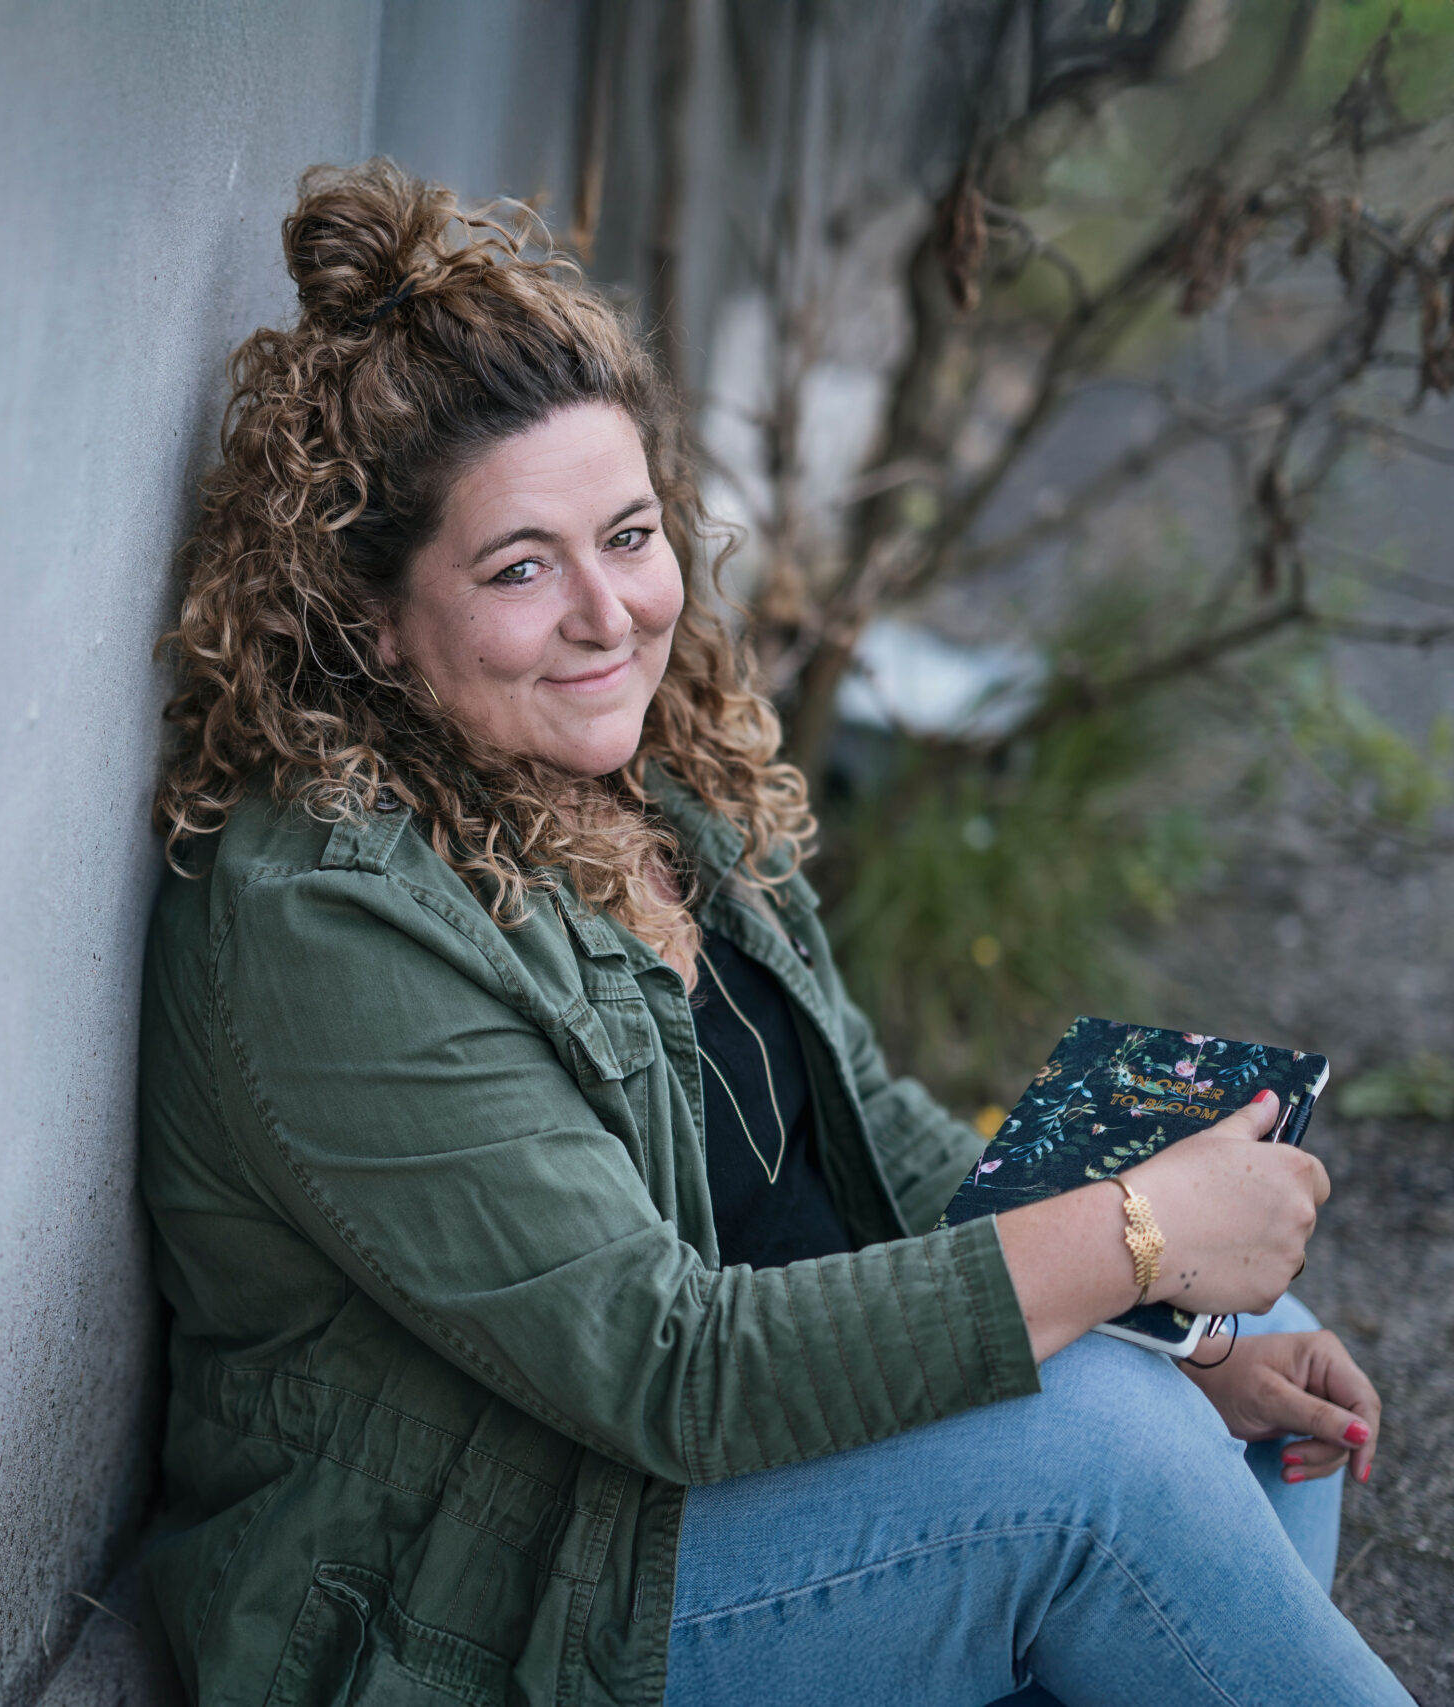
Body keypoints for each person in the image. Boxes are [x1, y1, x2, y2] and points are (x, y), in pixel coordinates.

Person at [135, 160, 1407, 1707]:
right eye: (521, 567)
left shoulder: (647, 780)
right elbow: (670, 1368)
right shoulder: (330, 919)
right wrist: (1132, 1233)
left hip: (709, 1486)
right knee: (1106, 1456)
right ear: (374, 623)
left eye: (628, 535)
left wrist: (1184, 1320)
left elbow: (865, 1130)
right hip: (497, 1598)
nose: (610, 612)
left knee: (1246, 1350)